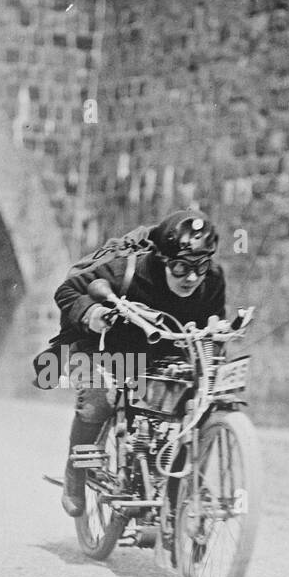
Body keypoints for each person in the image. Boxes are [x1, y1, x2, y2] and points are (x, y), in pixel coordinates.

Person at [53, 208, 225, 517]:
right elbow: (67, 291)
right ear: (162, 261)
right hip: (103, 343)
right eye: (180, 267)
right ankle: (75, 475)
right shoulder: (126, 272)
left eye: (200, 267)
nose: (191, 277)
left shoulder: (211, 280)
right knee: (98, 400)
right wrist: (92, 313)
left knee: (202, 400)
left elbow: (211, 326)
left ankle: (180, 490)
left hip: (159, 349)